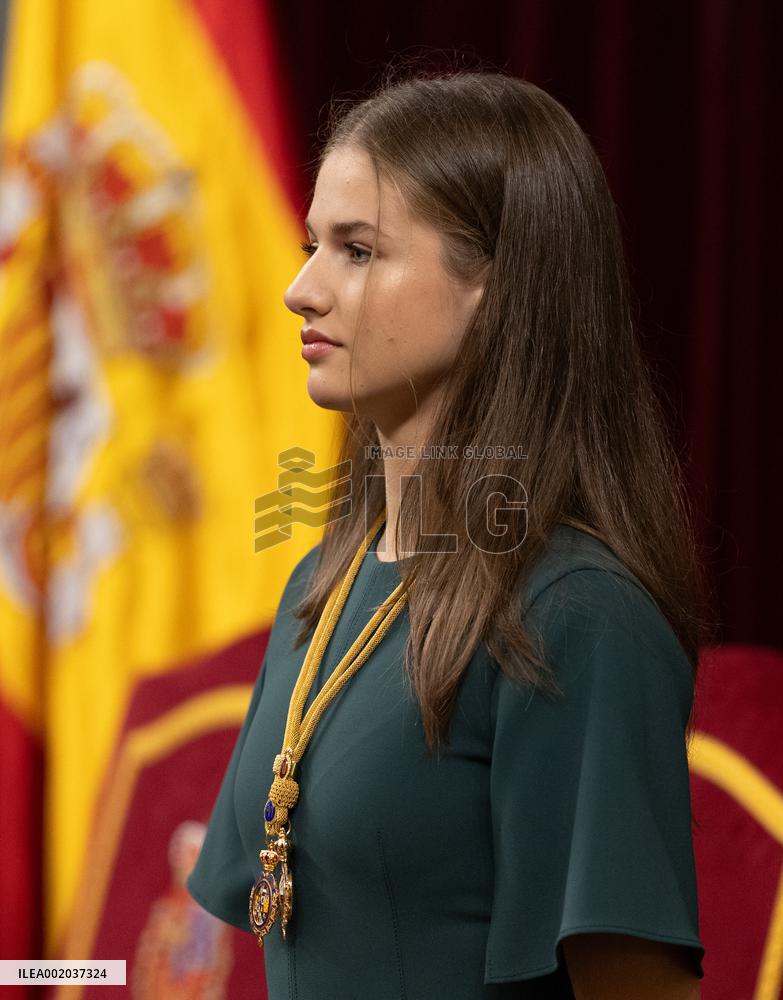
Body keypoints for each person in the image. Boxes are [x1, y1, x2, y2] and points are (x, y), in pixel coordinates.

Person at [187, 68, 710, 999]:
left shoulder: (577, 617)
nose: (299, 291)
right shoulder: (323, 582)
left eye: (356, 251)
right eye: (313, 244)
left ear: (494, 286)